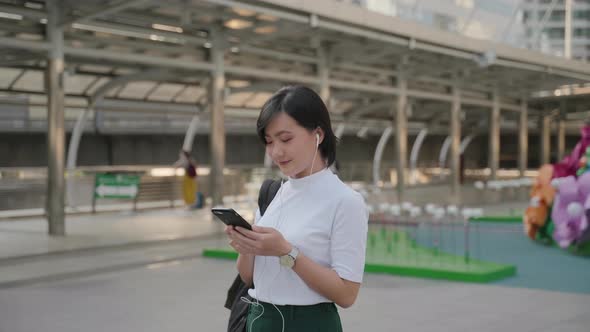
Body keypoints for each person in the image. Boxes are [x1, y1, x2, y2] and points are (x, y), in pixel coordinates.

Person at [224, 86, 368, 332]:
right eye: (269, 142)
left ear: (318, 134)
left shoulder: (346, 201)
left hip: (308, 323)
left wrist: (286, 252)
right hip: (260, 320)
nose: (276, 152)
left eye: (286, 139)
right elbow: (249, 277)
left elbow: (346, 294)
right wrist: (246, 246)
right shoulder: (273, 193)